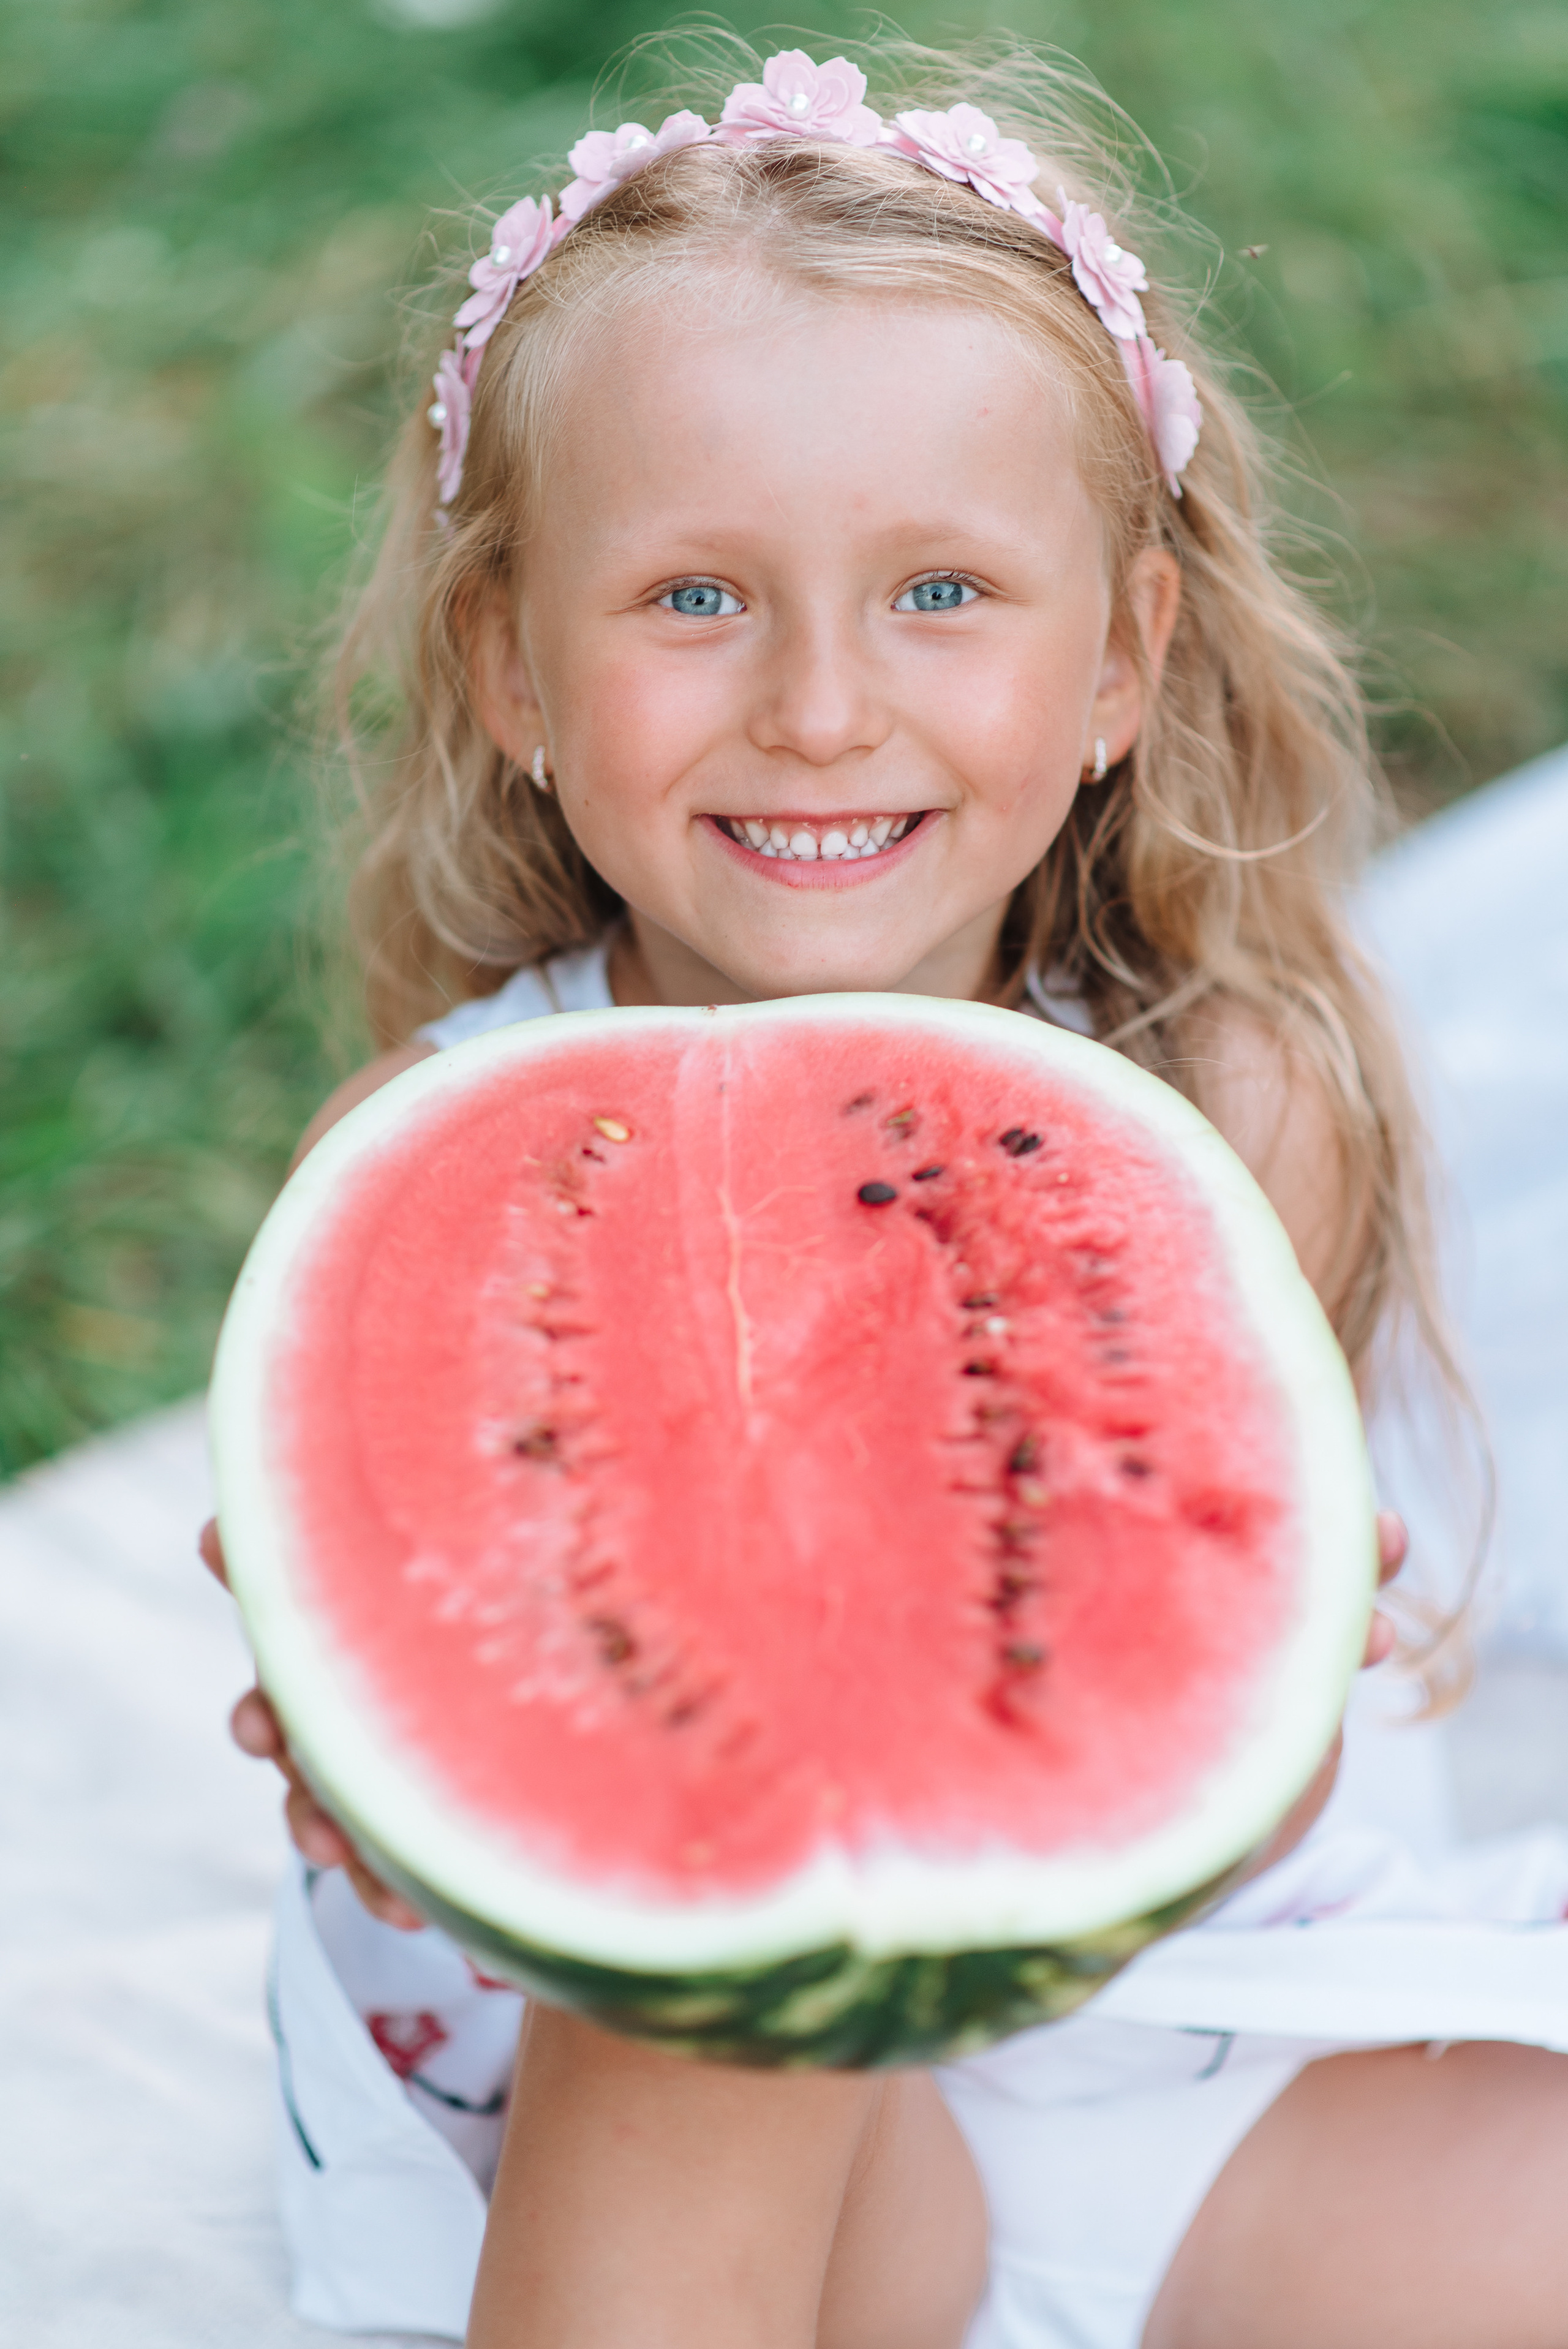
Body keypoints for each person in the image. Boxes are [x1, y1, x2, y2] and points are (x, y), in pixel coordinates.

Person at [200, 41, 1568, 2349]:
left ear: (1123, 659)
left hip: (1177, 2037)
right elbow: (409, 1654)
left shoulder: (1228, 1091)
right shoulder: (432, 1143)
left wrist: (1220, 1677)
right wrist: (373, 1732)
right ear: (507, 664)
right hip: (631, 2081)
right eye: (696, 599)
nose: (825, 706)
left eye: (943, 590)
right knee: (718, 1969)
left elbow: (1241, 1772)